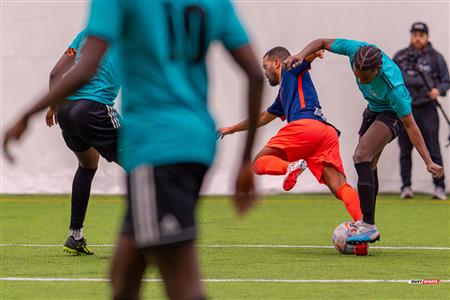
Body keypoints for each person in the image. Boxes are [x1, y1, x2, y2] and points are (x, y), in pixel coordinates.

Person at [3, 1, 263, 299]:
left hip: (156, 144)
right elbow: (256, 75)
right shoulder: (215, 4)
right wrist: (244, 160)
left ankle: (80, 231)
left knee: (180, 278)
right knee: (123, 274)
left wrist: (28, 113)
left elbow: (82, 68)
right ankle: (78, 234)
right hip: (196, 140)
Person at [284, 38, 444, 245]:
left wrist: (428, 161)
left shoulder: (393, 86)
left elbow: (411, 126)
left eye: (366, 77)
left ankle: (368, 226)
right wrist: (300, 54)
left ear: (377, 69)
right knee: (369, 163)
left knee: (361, 156)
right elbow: (322, 41)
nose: (361, 79)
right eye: (357, 73)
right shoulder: (354, 50)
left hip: (391, 113)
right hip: (374, 109)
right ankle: (366, 222)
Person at [219, 47, 364, 225]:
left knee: (258, 162)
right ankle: (364, 225)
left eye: (266, 67)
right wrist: (232, 128)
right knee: (339, 185)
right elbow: (263, 117)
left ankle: (291, 167)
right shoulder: (284, 92)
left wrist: (313, 54)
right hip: (325, 132)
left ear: (277, 63)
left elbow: (302, 60)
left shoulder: (288, 67)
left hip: (305, 127)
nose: (265, 72)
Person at [46, 29, 121, 255]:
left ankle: (75, 235)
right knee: (144, 166)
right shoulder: (129, 30)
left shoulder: (85, 34)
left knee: (87, 165)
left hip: (67, 109)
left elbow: (55, 74)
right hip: (94, 109)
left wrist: (53, 107)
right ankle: (151, 239)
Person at [394, 22, 450, 200]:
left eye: (421, 34)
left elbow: (446, 81)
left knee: (433, 147)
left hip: (427, 108)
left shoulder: (436, 58)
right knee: (405, 149)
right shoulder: (401, 56)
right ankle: (406, 187)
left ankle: (439, 187)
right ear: (411, 35)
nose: (417, 37)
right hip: (405, 108)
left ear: (427, 36)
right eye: (415, 34)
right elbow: (390, 78)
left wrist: (438, 90)